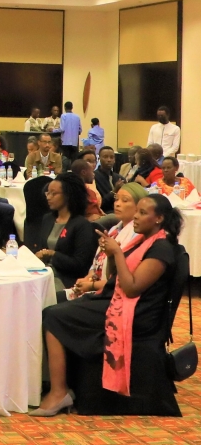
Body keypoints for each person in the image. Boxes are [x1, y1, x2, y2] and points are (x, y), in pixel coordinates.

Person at [35, 194, 180, 416]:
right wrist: (110, 254)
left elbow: (132, 288)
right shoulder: (142, 240)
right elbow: (115, 276)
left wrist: (118, 252)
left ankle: (59, 391)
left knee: (55, 316)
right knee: (51, 311)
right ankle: (59, 385)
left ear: (159, 218)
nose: (136, 217)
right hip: (116, 298)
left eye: (142, 213)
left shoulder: (161, 249)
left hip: (136, 312)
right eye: (137, 211)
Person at [68, 184, 148, 300]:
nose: (117, 204)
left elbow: (120, 280)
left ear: (139, 207)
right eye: (116, 199)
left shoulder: (138, 236)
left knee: (54, 308)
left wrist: (91, 285)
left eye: (125, 200)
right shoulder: (114, 229)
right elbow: (97, 264)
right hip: (97, 285)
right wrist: (88, 278)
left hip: (112, 295)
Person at [31, 172, 96, 292]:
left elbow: (80, 265)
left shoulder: (81, 225)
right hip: (43, 272)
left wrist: (52, 254)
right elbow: (40, 248)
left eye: (54, 193)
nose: (48, 197)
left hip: (65, 279)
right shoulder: (48, 219)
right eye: (47, 193)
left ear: (68, 195)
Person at [94, 146, 122, 213]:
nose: (109, 160)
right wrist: (114, 191)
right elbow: (100, 204)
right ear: (99, 159)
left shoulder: (119, 178)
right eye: (105, 157)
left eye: (112, 157)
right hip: (104, 212)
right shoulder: (93, 177)